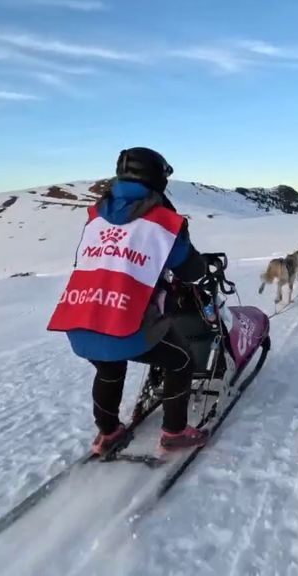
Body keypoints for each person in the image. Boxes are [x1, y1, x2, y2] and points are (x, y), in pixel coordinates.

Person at [47, 147, 210, 456]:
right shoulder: (163, 220)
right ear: (157, 178)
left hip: (81, 319)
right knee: (182, 360)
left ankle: (108, 432)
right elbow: (191, 269)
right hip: (125, 322)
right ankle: (174, 432)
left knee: (108, 365)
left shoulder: (96, 216)